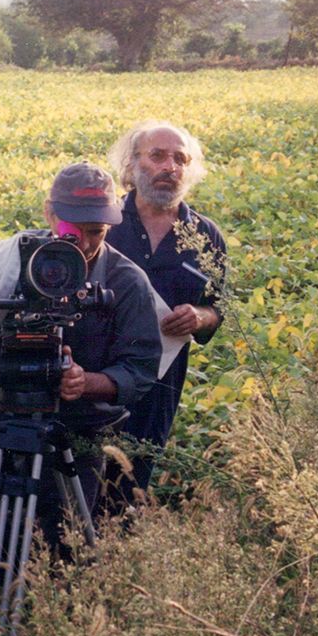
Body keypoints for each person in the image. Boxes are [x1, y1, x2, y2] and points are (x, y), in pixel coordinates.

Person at [0, 163, 161, 557]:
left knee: (68, 553)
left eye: (96, 232)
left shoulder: (126, 281)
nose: (81, 242)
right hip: (12, 426)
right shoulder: (11, 262)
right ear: (50, 214)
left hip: (77, 440)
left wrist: (87, 382)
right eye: (71, 230)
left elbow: (140, 369)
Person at [102, 121, 227, 506]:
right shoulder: (105, 223)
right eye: (157, 155)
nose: (169, 166)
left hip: (161, 383)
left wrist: (200, 316)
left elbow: (218, 307)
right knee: (79, 474)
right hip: (97, 375)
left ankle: (114, 559)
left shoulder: (206, 236)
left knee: (131, 480)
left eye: (180, 159)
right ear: (132, 164)